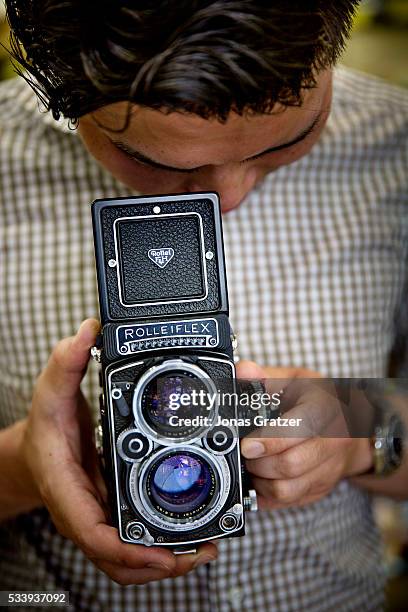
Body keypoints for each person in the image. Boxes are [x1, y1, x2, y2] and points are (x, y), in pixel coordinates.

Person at [0, 1, 407, 610]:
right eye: (154, 162)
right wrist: (24, 468)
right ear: (60, 86)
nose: (229, 197)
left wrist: (362, 427)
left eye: (287, 142)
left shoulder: (397, 151)